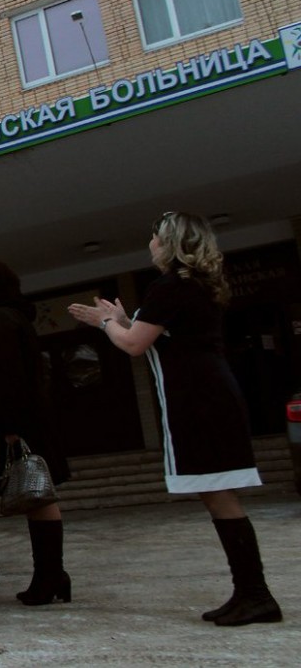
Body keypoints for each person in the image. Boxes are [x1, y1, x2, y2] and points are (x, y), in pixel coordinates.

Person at [68, 212, 282, 627]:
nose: (149, 241)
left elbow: (132, 345)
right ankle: (249, 592)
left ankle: (256, 595)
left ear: (169, 242)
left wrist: (109, 323)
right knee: (214, 492)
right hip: (209, 393)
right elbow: (156, 336)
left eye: (154, 235)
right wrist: (124, 320)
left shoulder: (170, 286)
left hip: (199, 399)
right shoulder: (193, 285)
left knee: (218, 492)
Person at [0, 261, 71, 604]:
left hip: (18, 425)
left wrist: (9, 429)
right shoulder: (17, 318)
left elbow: (4, 377)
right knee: (40, 495)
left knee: (37, 494)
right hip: (34, 420)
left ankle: (49, 577)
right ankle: (53, 574)